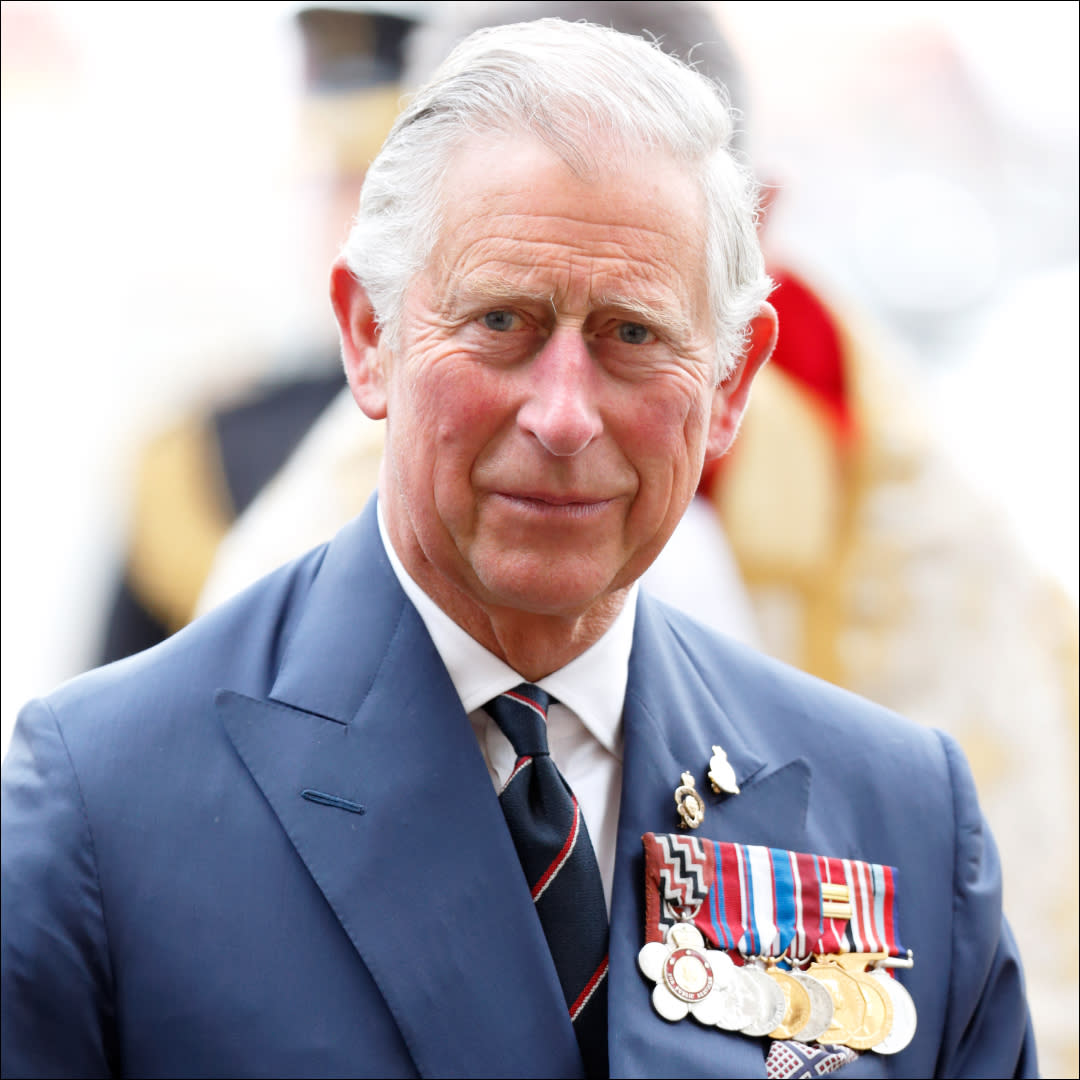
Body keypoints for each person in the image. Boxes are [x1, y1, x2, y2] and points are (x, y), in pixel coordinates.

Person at [2, 19, 1035, 1079]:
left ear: (730, 386)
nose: (565, 415)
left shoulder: (902, 818)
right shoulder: (104, 806)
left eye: (633, 334)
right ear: (368, 335)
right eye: (502, 322)